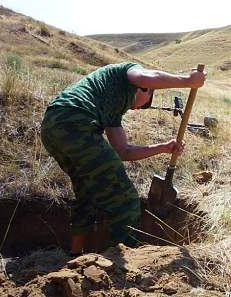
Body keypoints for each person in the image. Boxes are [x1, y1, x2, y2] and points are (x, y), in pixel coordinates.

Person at [40, 62, 206, 255]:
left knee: (86, 192)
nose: (137, 108)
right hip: (75, 121)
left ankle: (75, 254)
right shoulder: (128, 71)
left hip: (52, 127)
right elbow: (144, 77)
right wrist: (188, 81)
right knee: (126, 201)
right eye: (145, 103)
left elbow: (123, 151)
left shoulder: (111, 107)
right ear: (146, 90)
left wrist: (163, 148)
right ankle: (124, 265)